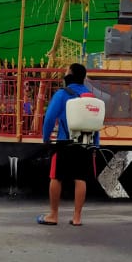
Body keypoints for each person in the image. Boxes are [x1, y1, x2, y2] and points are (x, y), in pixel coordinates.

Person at [37, 63, 93, 226]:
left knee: (56, 177)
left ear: (70, 75)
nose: (64, 74)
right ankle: (77, 218)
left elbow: (49, 118)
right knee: (80, 178)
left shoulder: (62, 94)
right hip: (84, 143)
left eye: (66, 71)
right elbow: (95, 122)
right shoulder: (91, 96)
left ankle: (53, 215)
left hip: (64, 142)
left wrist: (46, 138)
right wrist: (95, 143)